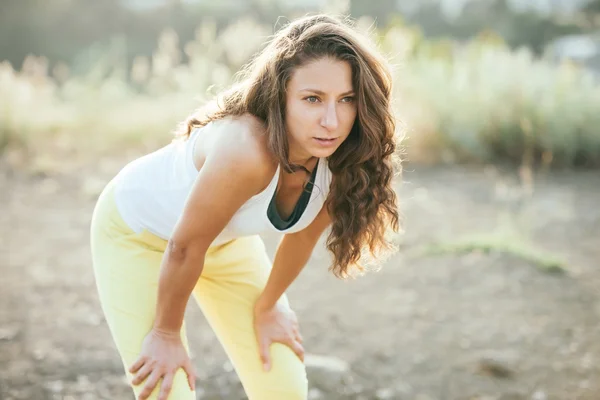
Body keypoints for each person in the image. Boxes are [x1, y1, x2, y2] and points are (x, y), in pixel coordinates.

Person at [90, 13, 400, 400]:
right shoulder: (247, 152)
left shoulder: (342, 163)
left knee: (284, 386)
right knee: (167, 388)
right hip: (135, 233)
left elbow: (300, 238)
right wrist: (166, 334)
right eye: (312, 99)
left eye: (347, 100)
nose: (331, 121)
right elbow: (184, 247)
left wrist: (268, 306)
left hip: (220, 242)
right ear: (280, 95)